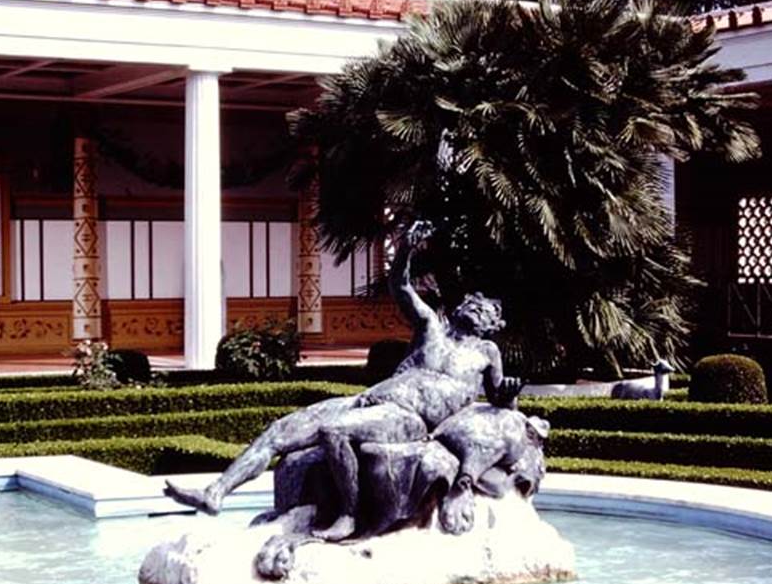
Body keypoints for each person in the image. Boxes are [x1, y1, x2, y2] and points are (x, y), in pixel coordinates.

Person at [165, 220, 519, 541]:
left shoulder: (487, 353)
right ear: (458, 308)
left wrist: (507, 395)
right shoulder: (431, 327)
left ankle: (348, 515)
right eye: (472, 303)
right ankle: (215, 493)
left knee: (334, 432)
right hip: (369, 401)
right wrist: (405, 250)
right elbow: (400, 286)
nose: (476, 308)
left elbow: (502, 405)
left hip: (408, 418)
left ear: (493, 326)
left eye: (486, 310)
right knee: (279, 431)